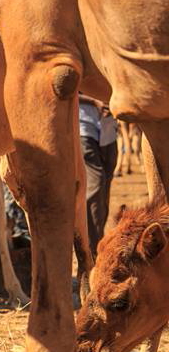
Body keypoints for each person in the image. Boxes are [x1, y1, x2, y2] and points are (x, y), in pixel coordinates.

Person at [79, 95, 118, 256]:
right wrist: (95, 101)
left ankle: (98, 241)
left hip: (109, 127)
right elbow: (68, 85)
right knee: (96, 183)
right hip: (84, 126)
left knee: (105, 186)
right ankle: (93, 251)